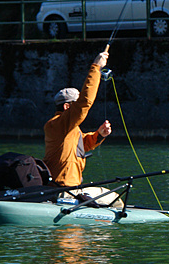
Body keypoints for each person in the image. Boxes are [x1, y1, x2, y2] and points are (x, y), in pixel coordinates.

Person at [44, 48, 120, 208]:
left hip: (72, 189)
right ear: (66, 107)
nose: (78, 109)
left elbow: (80, 145)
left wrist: (99, 135)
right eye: (74, 106)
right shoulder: (57, 124)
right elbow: (85, 102)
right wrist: (96, 67)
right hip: (64, 191)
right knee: (116, 200)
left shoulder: (68, 129)